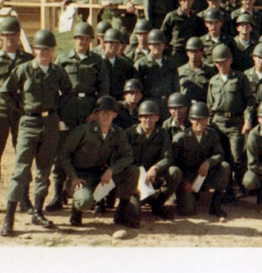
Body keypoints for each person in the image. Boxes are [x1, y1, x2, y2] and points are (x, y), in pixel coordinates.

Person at [0, 29, 73, 237]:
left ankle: (37, 212)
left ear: (53, 50)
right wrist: (20, 108)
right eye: (40, 48)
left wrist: (56, 108)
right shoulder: (24, 70)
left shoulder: (57, 72)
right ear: (35, 49)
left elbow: (68, 92)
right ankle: (9, 219)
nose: (44, 52)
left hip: (49, 123)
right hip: (28, 123)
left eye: (48, 49)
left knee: (44, 169)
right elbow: (4, 92)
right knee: (21, 170)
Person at [47, 22, 110, 212]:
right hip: (68, 109)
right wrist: (57, 114)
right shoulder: (63, 58)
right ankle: (58, 195)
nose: (82, 41)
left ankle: (98, 197)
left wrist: (97, 113)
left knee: (93, 151)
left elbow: (104, 90)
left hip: (89, 111)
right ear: (74, 39)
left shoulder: (97, 61)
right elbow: (53, 86)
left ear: (91, 40)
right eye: (79, 38)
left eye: (86, 38)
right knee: (62, 152)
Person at [0, 17, 34, 216]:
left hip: (22, 113)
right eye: (6, 35)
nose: (10, 39)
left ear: (19, 36)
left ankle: (25, 198)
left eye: (13, 35)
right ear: (1, 37)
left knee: (24, 155)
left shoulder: (28, 60)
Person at [60, 96, 140, 228]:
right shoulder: (83, 130)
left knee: (133, 171)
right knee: (85, 202)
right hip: (80, 176)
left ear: (115, 114)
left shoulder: (117, 132)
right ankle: (76, 210)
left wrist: (111, 170)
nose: (106, 115)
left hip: (101, 174)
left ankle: (121, 212)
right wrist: (73, 177)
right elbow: (64, 155)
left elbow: (128, 156)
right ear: (96, 114)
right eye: (102, 112)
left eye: (109, 112)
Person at [207, 44, 256, 201]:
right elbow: (209, 105)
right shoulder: (213, 81)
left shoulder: (240, 78)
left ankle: (241, 186)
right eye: (217, 63)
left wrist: (247, 121)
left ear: (230, 60)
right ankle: (226, 190)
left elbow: (249, 101)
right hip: (218, 122)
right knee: (222, 157)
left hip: (235, 122)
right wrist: (209, 124)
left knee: (236, 157)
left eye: (223, 61)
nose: (220, 66)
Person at [172, 101, 230, 219]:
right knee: (187, 211)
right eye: (196, 119)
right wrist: (183, 181)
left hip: (204, 174)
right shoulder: (181, 138)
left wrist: (208, 162)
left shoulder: (211, 134)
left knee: (225, 167)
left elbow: (219, 154)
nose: (200, 123)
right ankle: (184, 196)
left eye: (203, 119)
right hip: (187, 176)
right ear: (191, 120)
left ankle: (216, 203)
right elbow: (172, 162)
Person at [125, 100, 181, 220]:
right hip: (136, 178)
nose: (148, 120)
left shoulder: (162, 134)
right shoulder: (129, 134)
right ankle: (144, 199)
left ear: (157, 117)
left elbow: (168, 157)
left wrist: (156, 168)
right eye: (144, 116)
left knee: (174, 171)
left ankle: (158, 203)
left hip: (154, 175)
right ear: (139, 117)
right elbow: (124, 158)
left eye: (151, 116)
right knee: (134, 213)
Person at [134, 29, 178, 123]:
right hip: (148, 105)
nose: (156, 47)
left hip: (167, 105)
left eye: (159, 44)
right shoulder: (141, 64)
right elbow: (137, 89)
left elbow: (175, 87)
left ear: (164, 45)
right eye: (154, 44)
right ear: (149, 45)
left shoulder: (170, 64)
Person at [160, 0, 205, 67]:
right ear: (179, 1)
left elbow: (201, 34)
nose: (187, 2)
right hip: (177, 53)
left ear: (193, 0)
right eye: (184, 0)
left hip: (192, 53)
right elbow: (163, 35)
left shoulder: (195, 17)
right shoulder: (172, 16)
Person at [177, 37, 216, 104]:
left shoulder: (209, 71)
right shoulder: (179, 71)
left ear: (202, 52)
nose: (193, 55)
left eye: (196, 51)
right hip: (185, 107)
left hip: (202, 106)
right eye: (191, 51)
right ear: (187, 53)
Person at [100, 27, 135, 101]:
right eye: (111, 43)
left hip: (118, 101)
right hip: (101, 100)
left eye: (117, 43)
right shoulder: (98, 62)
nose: (114, 46)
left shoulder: (125, 64)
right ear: (104, 43)